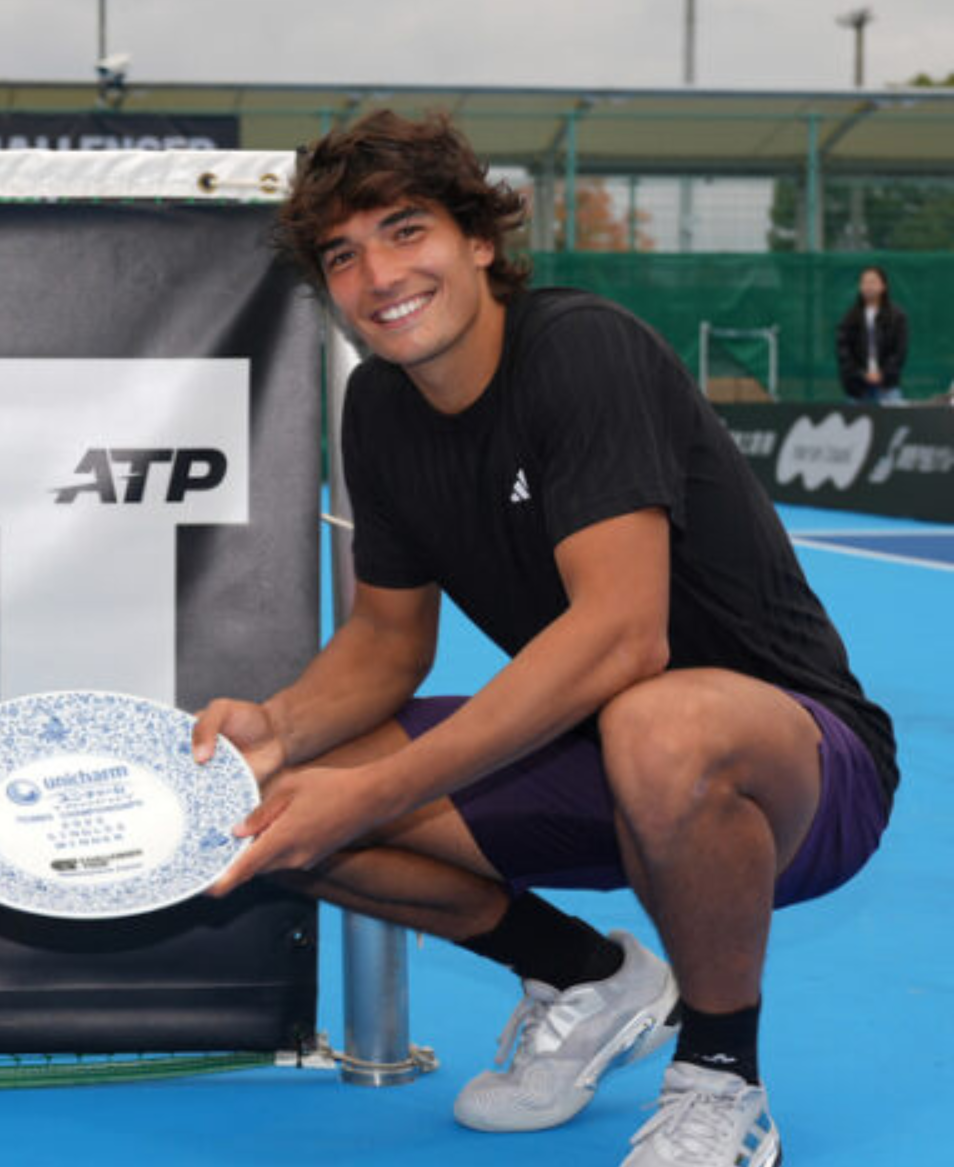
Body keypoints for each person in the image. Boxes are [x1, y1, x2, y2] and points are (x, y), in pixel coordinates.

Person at [193, 111, 895, 1167]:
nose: (378, 274)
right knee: (257, 800)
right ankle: (584, 973)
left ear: (478, 239)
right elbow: (388, 643)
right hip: (602, 761)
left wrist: (373, 793)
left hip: (793, 770)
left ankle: (720, 1079)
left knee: (658, 723)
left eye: (404, 230)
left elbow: (624, 641)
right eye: (343, 254)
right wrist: (280, 729)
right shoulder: (379, 410)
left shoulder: (580, 352)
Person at [835, 265, 908, 404]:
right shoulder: (849, 318)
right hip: (857, 389)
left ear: (883, 286)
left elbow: (900, 351)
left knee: (894, 420)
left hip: (888, 387)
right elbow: (844, 353)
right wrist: (861, 375)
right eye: (865, 282)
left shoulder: (897, 317)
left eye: (873, 282)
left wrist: (883, 374)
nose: (869, 286)